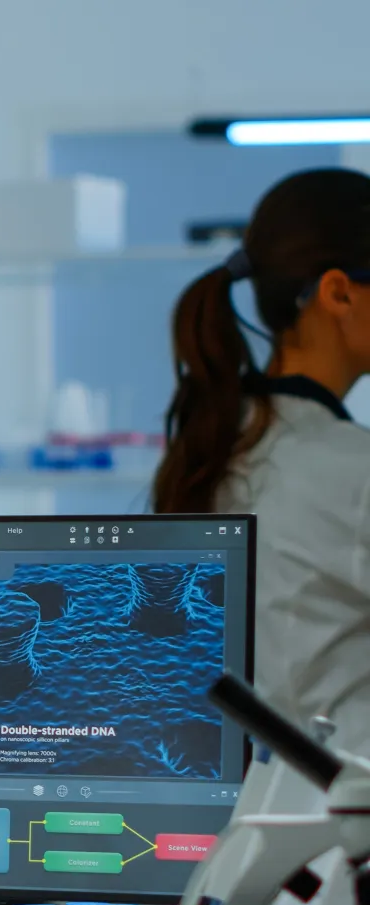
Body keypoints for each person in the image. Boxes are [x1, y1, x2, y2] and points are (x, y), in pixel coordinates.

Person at [152, 167, 370, 748]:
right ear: (338, 293)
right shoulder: (348, 468)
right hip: (335, 792)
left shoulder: (215, 442)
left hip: (252, 792)